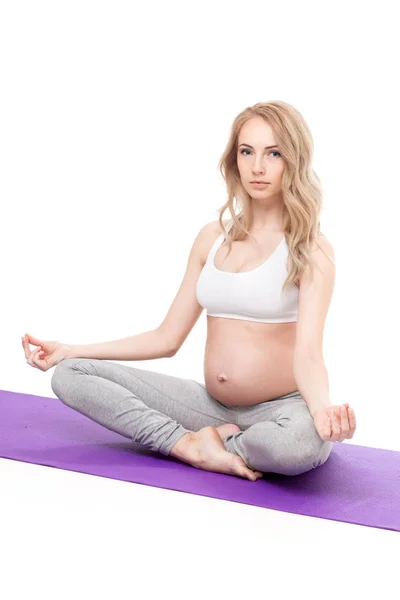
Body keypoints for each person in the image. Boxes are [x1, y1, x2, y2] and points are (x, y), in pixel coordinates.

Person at [22, 100, 356, 481]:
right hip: (208, 406)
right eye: (247, 151)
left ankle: (221, 446)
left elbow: (309, 356)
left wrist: (322, 412)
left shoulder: (309, 249)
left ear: (293, 161)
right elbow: (167, 338)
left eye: (274, 153)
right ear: (234, 159)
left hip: (279, 410)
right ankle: (187, 444)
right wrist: (73, 349)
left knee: (297, 445)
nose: (258, 166)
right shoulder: (211, 238)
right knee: (69, 374)